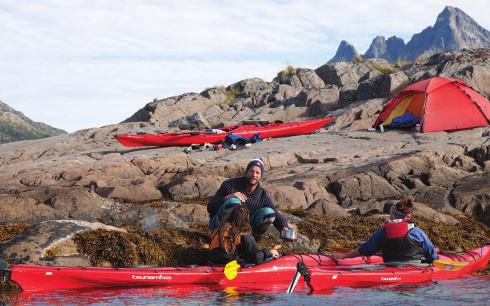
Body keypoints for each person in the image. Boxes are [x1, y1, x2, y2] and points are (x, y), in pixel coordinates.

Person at [207, 158, 289, 241]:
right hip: (220, 225)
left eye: (257, 173)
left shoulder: (262, 194)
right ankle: (224, 237)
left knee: (269, 213)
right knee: (233, 202)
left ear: (261, 176)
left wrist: (284, 228)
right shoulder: (229, 185)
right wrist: (228, 198)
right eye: (251, 171)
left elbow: (275, 214)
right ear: (247, 172)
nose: (254, 175)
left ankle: (252, 240)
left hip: (244, 229)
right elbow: (210, 207)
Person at [335, 198, 438, 263]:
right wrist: (434, 260)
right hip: (415, 269)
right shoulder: (416, 232)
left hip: (390, 268)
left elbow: (365, 250)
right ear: (407, 216)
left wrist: (344, 256)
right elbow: (431, 254)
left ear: (393, 214)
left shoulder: (383, 232)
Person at [208, 204, 281, 265]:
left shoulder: (219, 228)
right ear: (246, 219)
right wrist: (270, 252)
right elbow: (257, 258)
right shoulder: (243, 234)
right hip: (226, 265)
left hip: (211, 261)